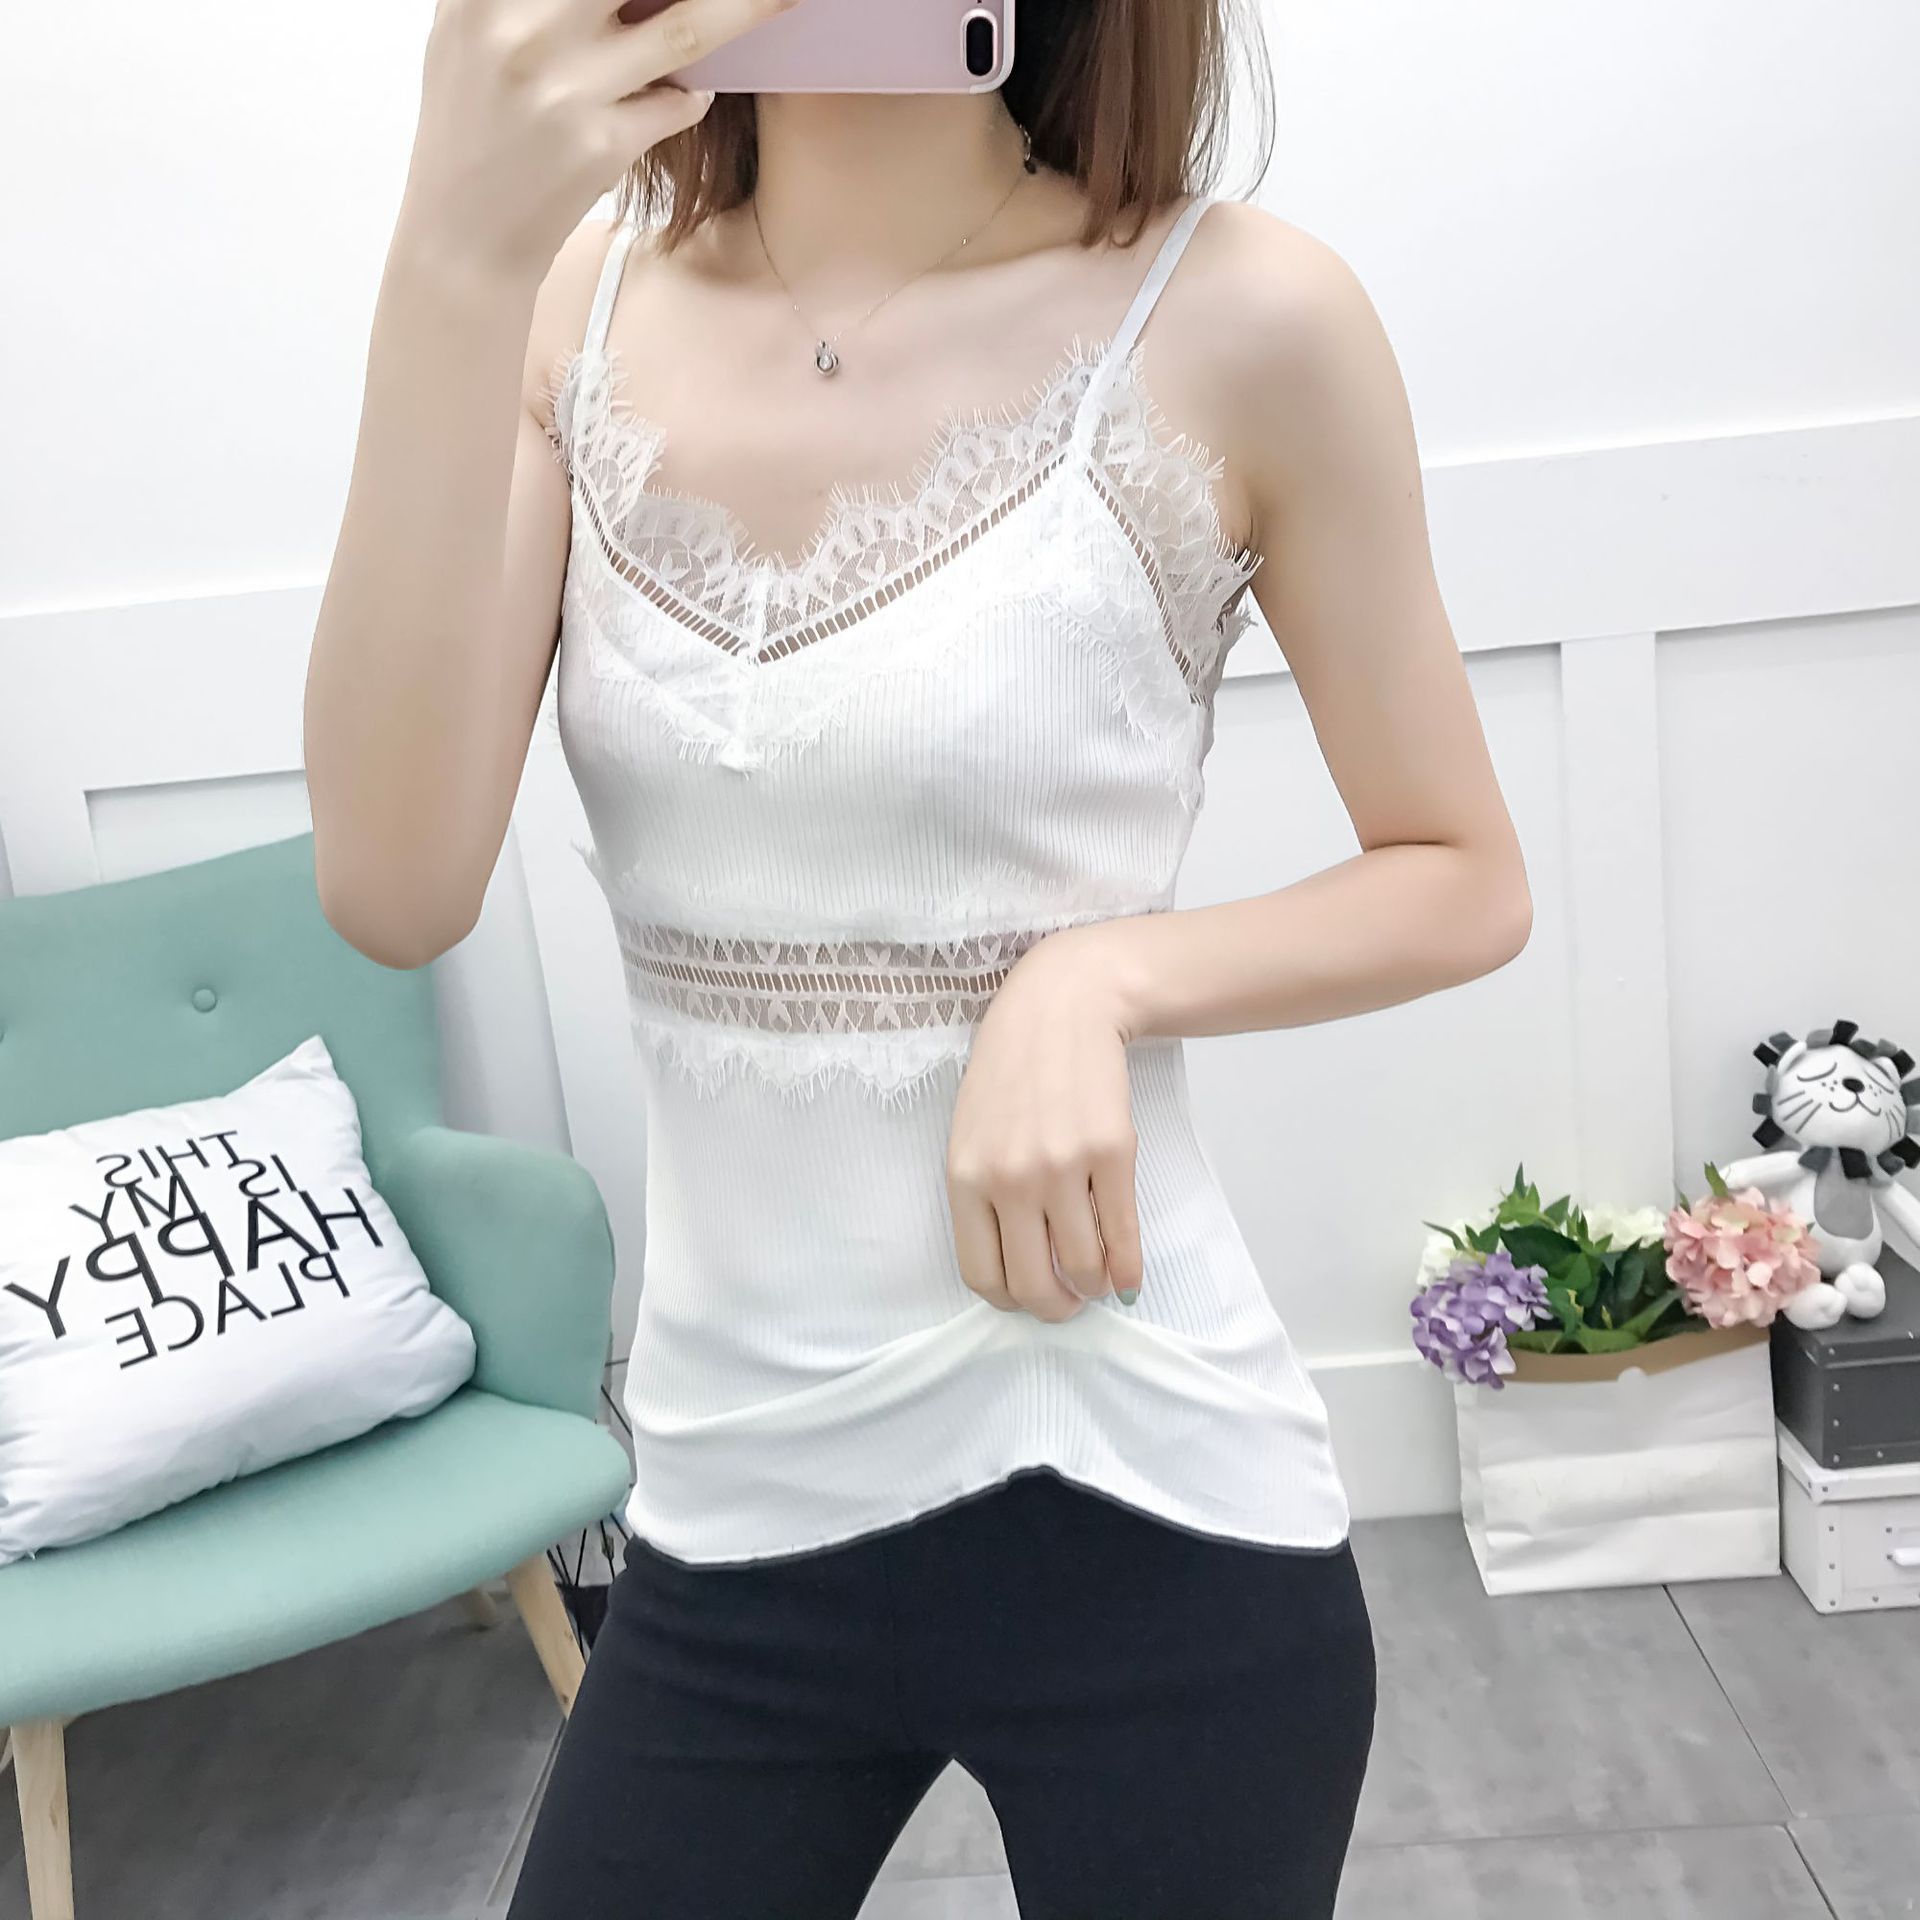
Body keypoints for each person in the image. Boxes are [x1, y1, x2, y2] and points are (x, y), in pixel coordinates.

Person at [304, 1, 1532, 1912]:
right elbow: (394, 887)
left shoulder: (1240, 315)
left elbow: (1461, 872)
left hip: (1149, 1494)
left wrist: (1100, 978)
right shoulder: (568, 308)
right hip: (730, 1505)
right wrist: (447, 250)